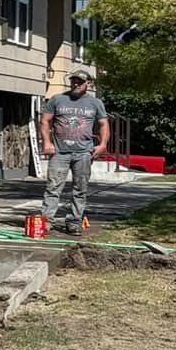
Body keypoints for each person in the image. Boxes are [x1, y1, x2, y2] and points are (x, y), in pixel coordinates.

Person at [39, 68, 110, 233]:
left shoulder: (95, 103)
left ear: (88, 84)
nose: (76, 84)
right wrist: (47, 143)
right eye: (74, 80)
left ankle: (74, 221)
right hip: (59, 152)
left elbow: (104, 124)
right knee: (53, 187)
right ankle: (46, 220)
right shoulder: (57, 99)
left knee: (80, 189)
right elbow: (45, 121)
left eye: (80, 81)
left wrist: (103, 144)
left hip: (84, 153)